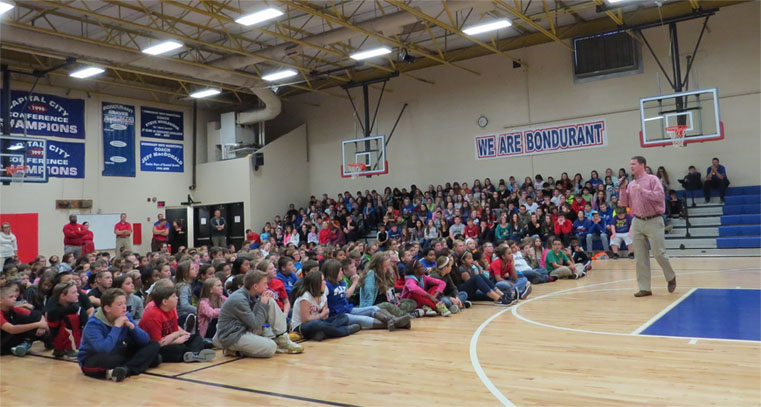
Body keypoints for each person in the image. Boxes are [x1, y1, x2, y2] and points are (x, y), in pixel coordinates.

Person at [619, 156, 677, 297]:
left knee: (658, 253)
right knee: (640, 257)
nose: (631, 166)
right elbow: (624, 202)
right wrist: (622, 188)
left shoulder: (652, 179)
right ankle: (644, 288)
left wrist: (643, 191)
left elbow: (660, 197)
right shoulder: (631, 184)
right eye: (630, 164)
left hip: (654, 220)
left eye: (633, 164)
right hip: (637, 221)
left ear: (642, 165)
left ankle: (671, 277)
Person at [213, 269, 303, 357]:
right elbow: (255, 324)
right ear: (255, 286)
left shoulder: (251, 293)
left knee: (270, 301)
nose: (267, 286)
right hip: (232, 336)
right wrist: (262, 303)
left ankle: (283, 339)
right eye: (264, 284)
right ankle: (234, 351)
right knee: (270, 347)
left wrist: (264, 300)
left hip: (244, 329)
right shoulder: (239, 299)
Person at [78, 288, 161, 382]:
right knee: (145, 359)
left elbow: (145, 340)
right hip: (93, 359)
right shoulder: (93, 324)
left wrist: (132, 327)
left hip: (117, 352)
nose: (124, 307)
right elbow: (103, 349)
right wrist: (116, 327)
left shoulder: (125, 316)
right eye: (119, 304)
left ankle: (125, 370)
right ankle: (128, 367)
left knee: (154, 346)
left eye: (125, 303)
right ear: (107, 308)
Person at [138, 284, 214, 363]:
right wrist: (176, 339)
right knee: (178, 349)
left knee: (195, 337)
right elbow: (158, 344)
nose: (177, 298)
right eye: (174, 296)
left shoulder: (172, 309)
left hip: (169, 340)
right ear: (165, 301)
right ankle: (195, 352)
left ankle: (193, 354)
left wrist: (182, 335)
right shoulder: (153, 315)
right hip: (156, 347)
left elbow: (175, 330)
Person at [291, 270, 358, 341]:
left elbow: (326, 313)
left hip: (320, 320)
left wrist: (323, 315)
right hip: (301, 326)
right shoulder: (305, 296)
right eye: (323, 280)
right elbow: (306, 319)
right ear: (316, 283)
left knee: (343, 318)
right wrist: (321, 315)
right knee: (318, 324)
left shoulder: (324, 290)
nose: (325, 282)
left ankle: (320, 334)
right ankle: (345, 331)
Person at [1, 285, 49, 356]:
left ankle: (26, 343)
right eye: (11, 297)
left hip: (9, 338)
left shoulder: (13, 309)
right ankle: (26, 343)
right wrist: (38, 324)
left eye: (15, 297)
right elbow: (12, 329)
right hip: (2, 344)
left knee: (33, 316)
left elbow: (36, 314)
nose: (14, 299)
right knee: (24, 319)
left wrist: (42, 324)